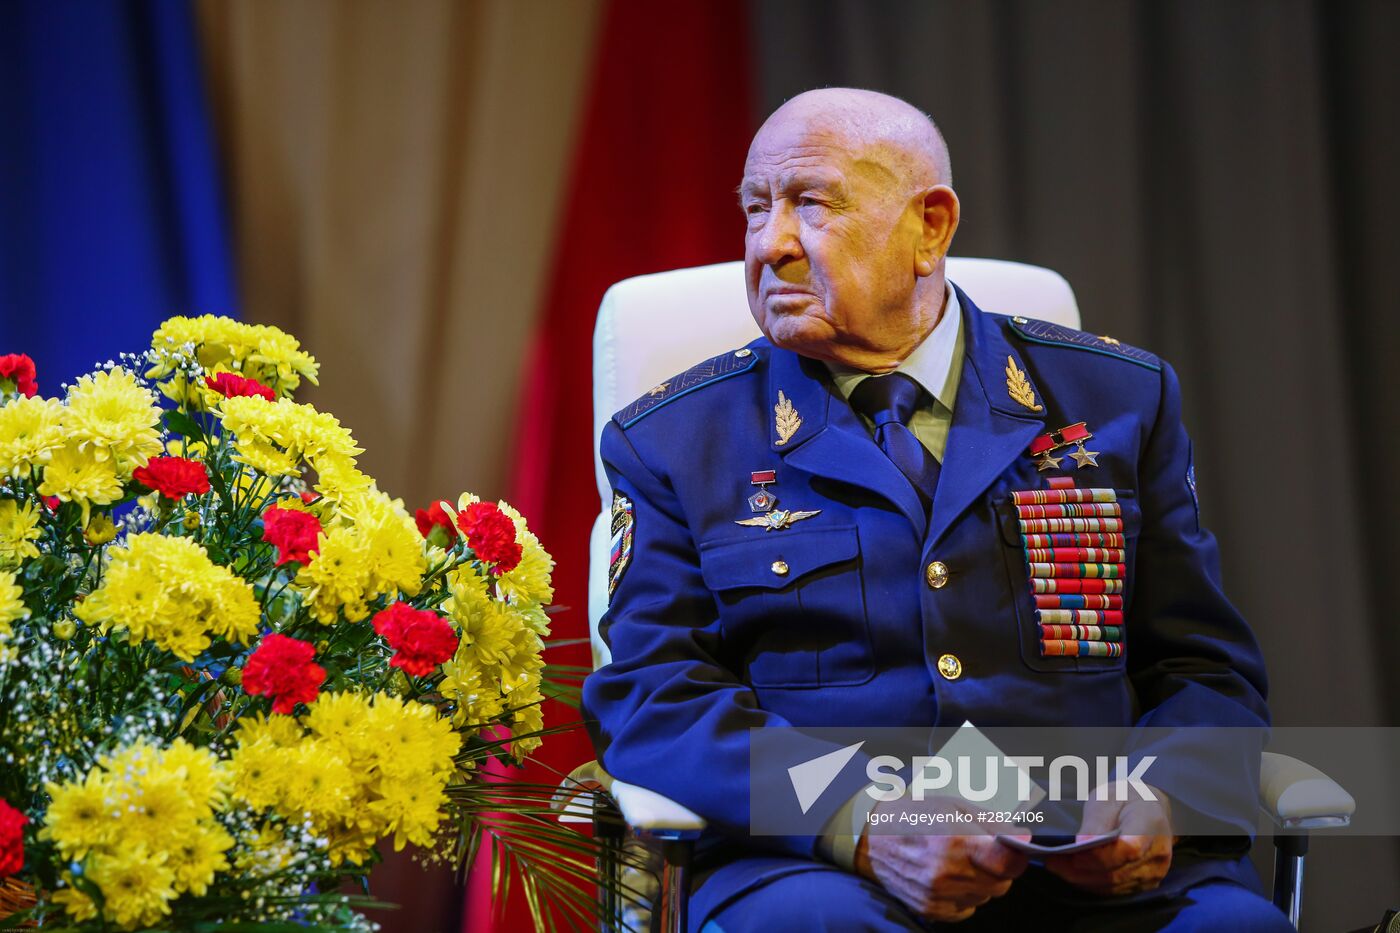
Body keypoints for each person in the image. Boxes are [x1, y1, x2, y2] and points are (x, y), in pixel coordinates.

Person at [582, 88, 1289, 931]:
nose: (771, 244)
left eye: (811, 204)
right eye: (754, 208)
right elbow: (658, 697)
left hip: (1095, 871)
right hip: (824, 873)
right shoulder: (674, 437)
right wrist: (860, 822)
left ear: (931, 227)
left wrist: (1164, 796)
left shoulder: (1118, 396)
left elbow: (1205, 671)